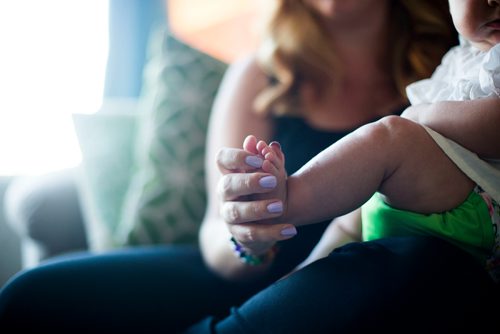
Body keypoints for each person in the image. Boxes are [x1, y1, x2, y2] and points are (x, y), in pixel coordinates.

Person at [1, 0, 490, 333]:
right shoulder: (260, 72)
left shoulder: (461, 64)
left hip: (368, 279)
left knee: (422, 270)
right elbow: (218, 240)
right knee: (32, 297)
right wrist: (248, 236)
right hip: (247, 275)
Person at [240, 0, 500, 283]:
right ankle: (301, 275)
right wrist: (246, 236)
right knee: (356, 211)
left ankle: (286, 201)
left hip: (484, 215)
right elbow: (215, 238)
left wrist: (418, 115)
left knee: (389, 138)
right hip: (438, 207)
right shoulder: (463, 55)